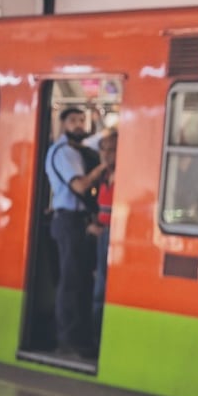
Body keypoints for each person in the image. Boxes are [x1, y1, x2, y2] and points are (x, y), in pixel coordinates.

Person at [46, 107, 107, 359]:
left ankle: (79, 337)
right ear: (62, 124)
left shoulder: (80, 151)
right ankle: (68, 341)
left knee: (81, 281)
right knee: (71, 282)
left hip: (79, 221)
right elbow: (80, 186)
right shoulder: (63, 152)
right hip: (68, 220)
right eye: (73, 120)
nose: (79, 125)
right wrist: (104, 167)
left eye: (82, 120)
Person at [87, 129, 117, 345]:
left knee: (104, 289)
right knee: (98, 287)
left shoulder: (125, 176)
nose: (106, 155)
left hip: (114, 238)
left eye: (112, 150)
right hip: (101, 236)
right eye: (103, 149)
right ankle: (95, 334)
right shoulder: (102, 176)